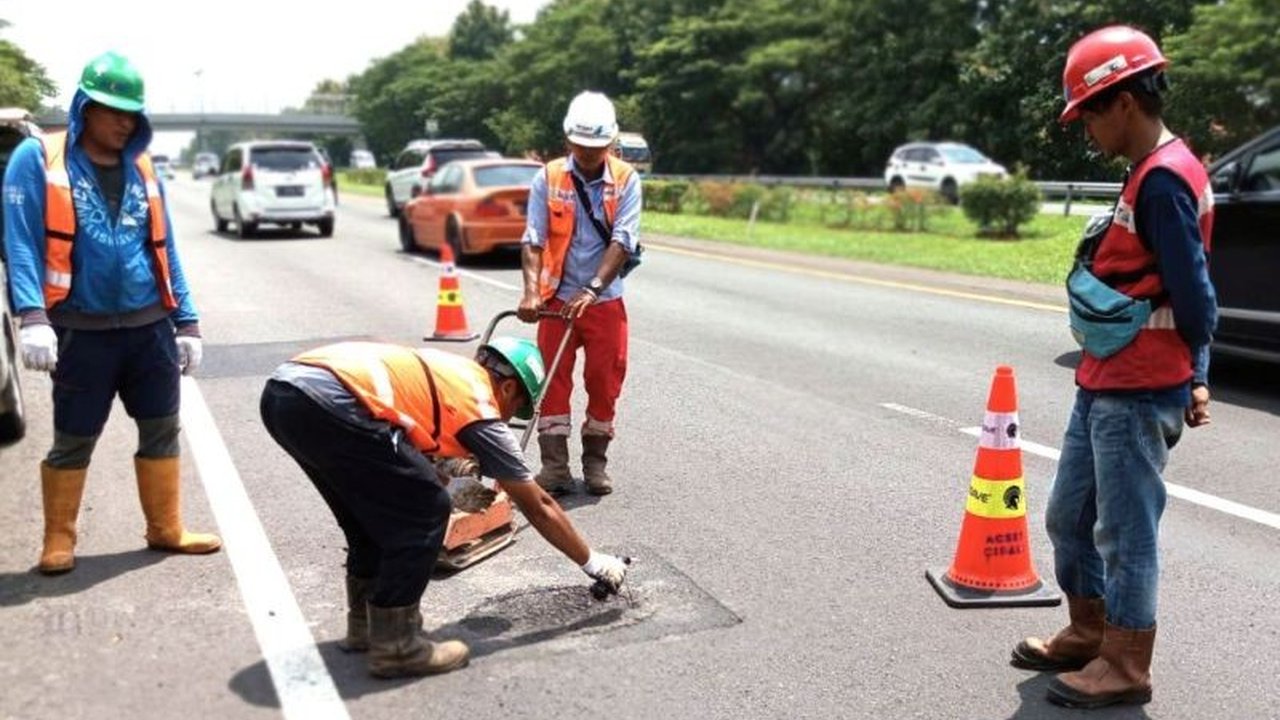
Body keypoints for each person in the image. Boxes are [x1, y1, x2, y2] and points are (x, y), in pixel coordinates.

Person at [1010, 26, 1217, 709]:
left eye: (1090, 113)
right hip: (1104, 379)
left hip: (1137, 388)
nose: (1087, 128)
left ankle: (1125, 664)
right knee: (1070, 517)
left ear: (1124, 101)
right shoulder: (1146, 172)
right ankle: (1087, 630)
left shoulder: (1162, 182)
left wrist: (1195, 371)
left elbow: (1196, 295)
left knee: (1126, 536)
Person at [258, 337, 630, 679]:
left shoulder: (451, 374)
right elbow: (540, 505)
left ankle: (367, 628)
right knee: (425, 512)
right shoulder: (480, 404)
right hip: (330, 403)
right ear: (508, 387)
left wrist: (445, 480)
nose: (508, 417)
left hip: (285, 395)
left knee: (367, 517)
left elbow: (398, 450)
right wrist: (594, 562)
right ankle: (397, 647)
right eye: (517, 406)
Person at [2, 51, 220, 575]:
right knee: (75, 437)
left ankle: (165, 527)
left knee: (162, 427)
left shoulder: (142, 165)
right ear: (84, 106)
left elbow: (165, 248)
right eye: (112, 109)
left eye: (132, 113)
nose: (125, 122)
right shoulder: (38, 159)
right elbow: (21, 243)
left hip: (149, 329)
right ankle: (59, 538)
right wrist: (31, 315)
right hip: (82, 331)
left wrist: (186, 322)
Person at [516, 91, 643, 496]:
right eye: (581, 146)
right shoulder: (549, 177)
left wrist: (592, 287)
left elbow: (622, 240)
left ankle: (595, 463)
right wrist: (531, 293)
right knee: (551, 382)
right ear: (568, 141)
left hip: (604, 301)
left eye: (597, 147)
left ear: (611, 143)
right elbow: (533, 238)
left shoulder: (625, 179)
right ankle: (554, 467)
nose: (588, 155)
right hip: (555, 299)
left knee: (605, 380)